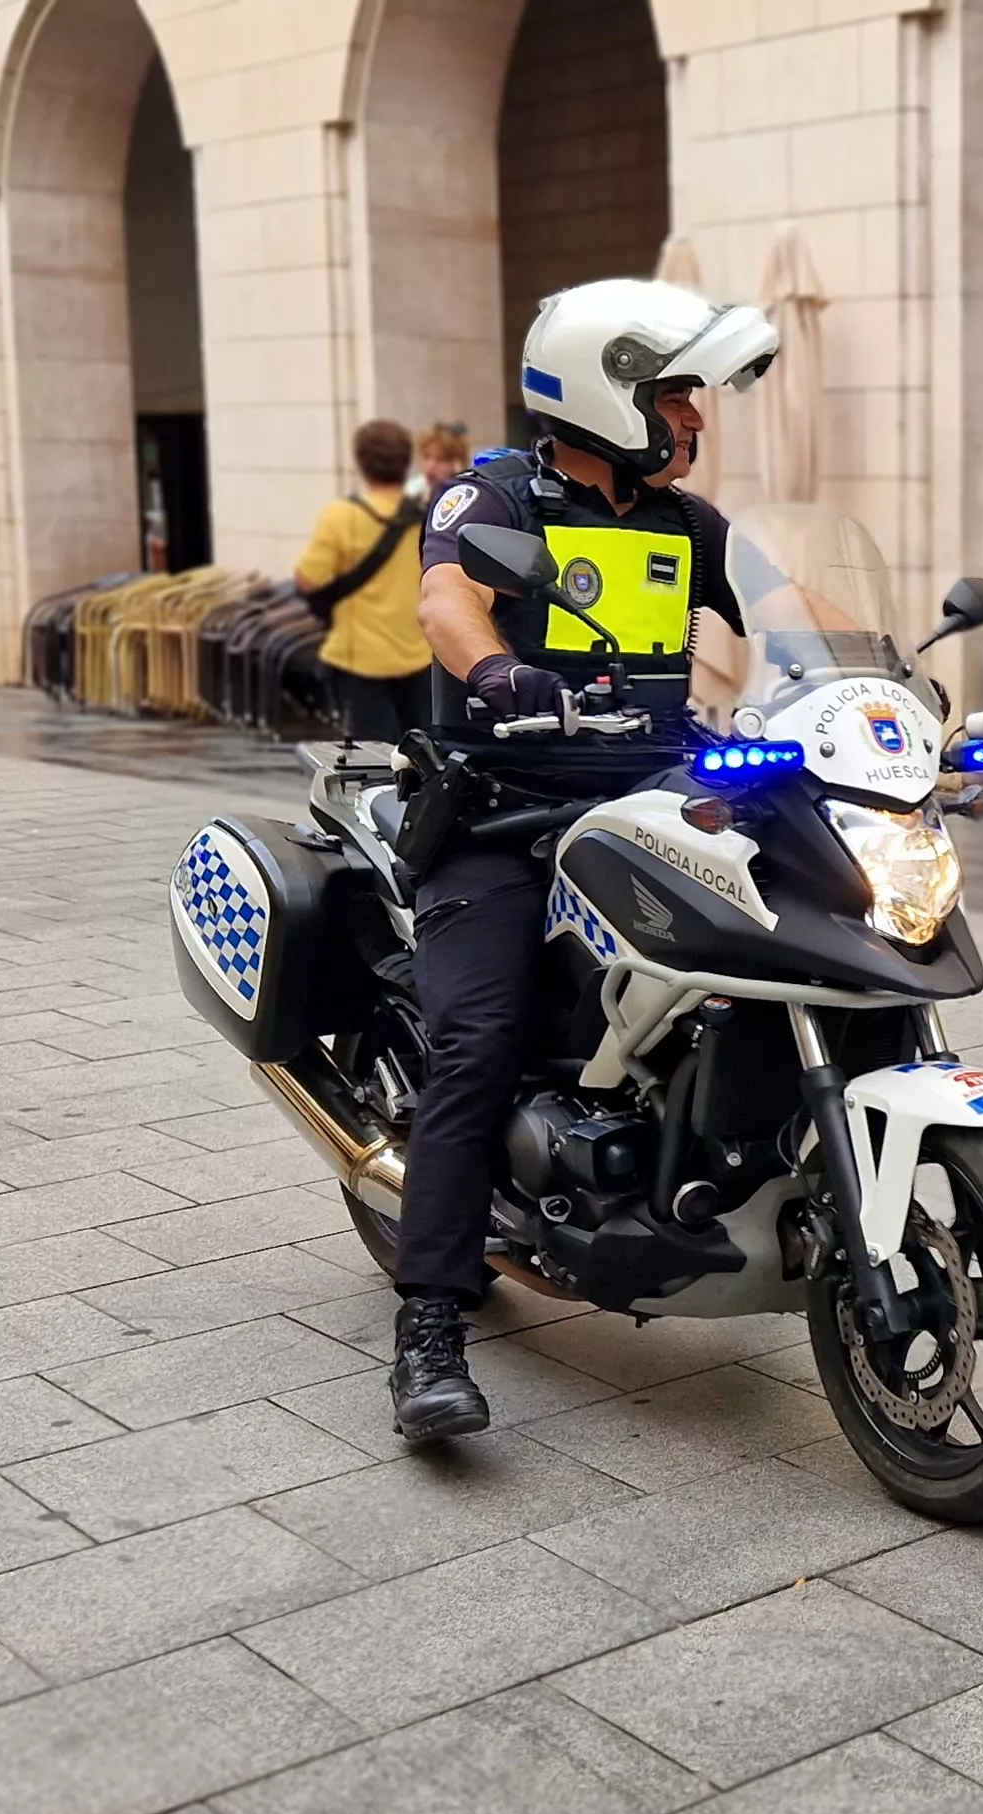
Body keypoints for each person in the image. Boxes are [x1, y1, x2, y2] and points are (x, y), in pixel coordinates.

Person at [388, 278, 776, 1439]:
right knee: (477, 1043)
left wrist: (878, 680)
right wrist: (498, 672)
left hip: (653, 796)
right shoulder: (495, 492)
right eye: (676, 396)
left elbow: (788, 599)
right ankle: (429, 1327)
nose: (696, 420)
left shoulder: (687, 525)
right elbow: (448, 599)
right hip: (506, 814)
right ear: (608, 394)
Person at [294, 418, 434, 740]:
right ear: (406, 461)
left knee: (374, 762)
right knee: (421, 753)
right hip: (418, 656)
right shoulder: (425, 515)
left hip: (360, 660)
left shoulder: (341, 516)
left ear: (360, 463)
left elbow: (307, 580)